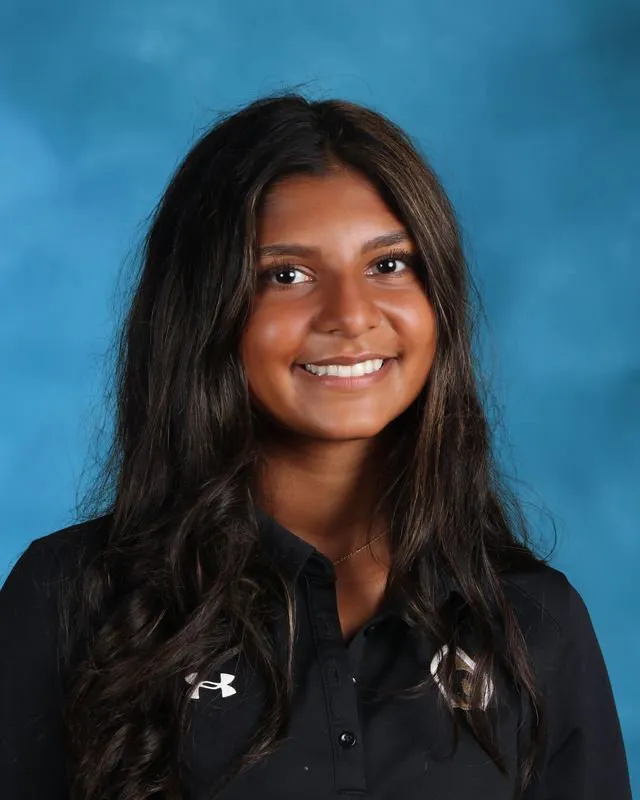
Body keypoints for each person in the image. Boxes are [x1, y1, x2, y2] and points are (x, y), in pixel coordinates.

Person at [0, 91, 632, 800]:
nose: (351, 316)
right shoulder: (71, 600)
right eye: (287, 275)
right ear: (204, 308)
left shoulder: (532, 621)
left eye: (390, 265)